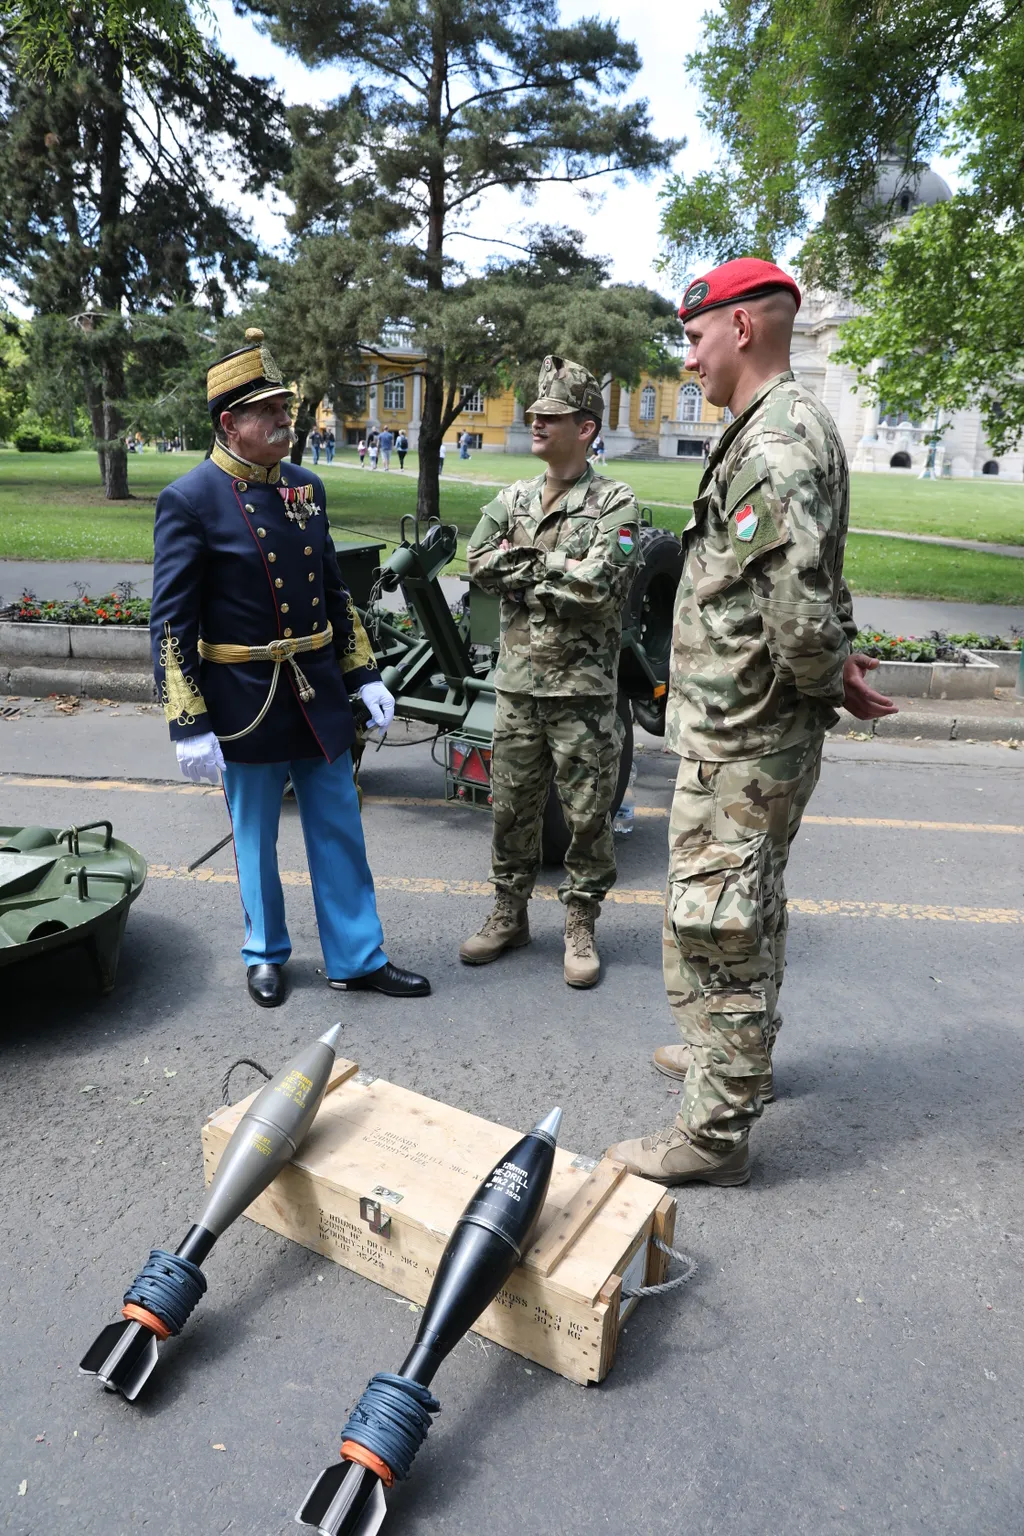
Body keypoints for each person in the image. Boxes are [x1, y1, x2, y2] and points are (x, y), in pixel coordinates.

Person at [605, 258, 897, 1187]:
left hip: (746, 734)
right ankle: (724, 1054)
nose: (687, 358)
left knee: (718, 920)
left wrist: (826, 675)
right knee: (745, 904)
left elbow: (800, 613)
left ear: (743, 328)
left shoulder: (771, 445)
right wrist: (829, 664)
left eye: (694, 338)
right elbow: (795, 583)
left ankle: (715, 1133)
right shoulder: (780, 426)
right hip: (742, 726)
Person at [149, 328, 430, 1008]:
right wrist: (187, 722)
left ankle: (357, 956)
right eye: (269, 409)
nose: (286, 418)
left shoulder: (306, 486)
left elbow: (334, 592)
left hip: (317, 695)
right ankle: (265, 954)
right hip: (244, 699)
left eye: (285, 406)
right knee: (255, 838)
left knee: (340, 827)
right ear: (230, 423)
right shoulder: (191, 499)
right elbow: (172, 624)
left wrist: (363, 674)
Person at [461, 355, 640, 989]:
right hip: (517, 685)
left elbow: (601, 586)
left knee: (588, 813)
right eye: (535, 414)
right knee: (510, 806)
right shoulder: (511, 497)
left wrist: (525, 563)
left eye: (550, 416)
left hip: (582, 694)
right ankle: (509, 912)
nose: (535, 422)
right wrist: (555, 566)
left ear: (586, 427)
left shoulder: (616, 501)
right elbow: (477, 562)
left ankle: (580, 922)